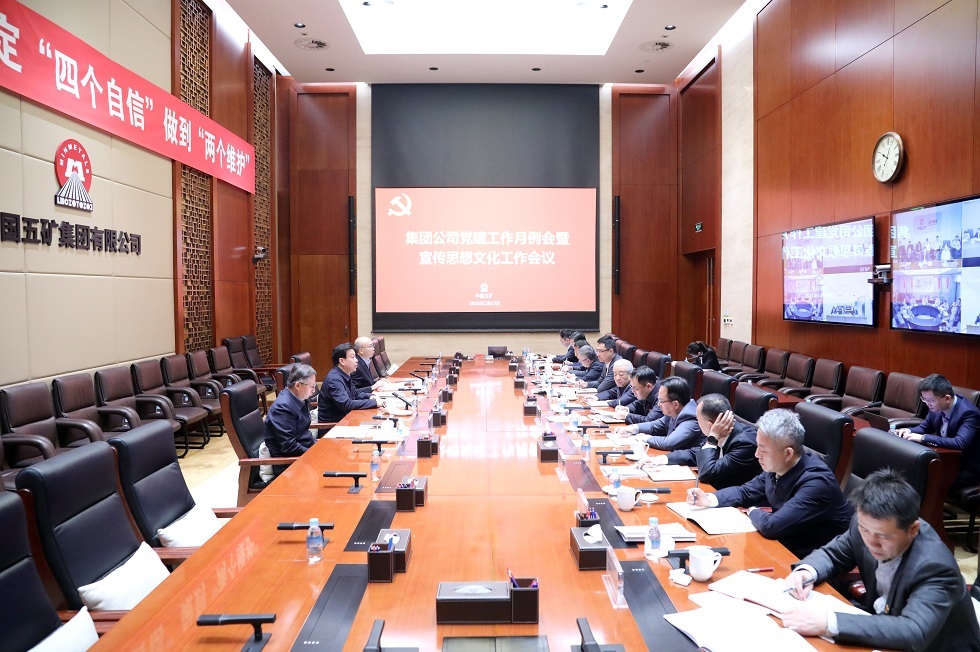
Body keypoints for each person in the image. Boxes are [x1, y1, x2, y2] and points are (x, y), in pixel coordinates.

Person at [782, 469, 980, 652]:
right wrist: (807, 571)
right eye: (864, 530)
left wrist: (829, 622)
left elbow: (914, 630)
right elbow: (833, 554)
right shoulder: (866, 524)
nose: (871, 542)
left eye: (883, 537)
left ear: (913, 529)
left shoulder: (935, 567)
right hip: (881, 625)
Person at [686, 409, 853, 558]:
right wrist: (709, 499)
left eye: (763, 449)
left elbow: (770, 526)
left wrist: (752, 511)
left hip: (812, 559)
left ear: (788, 453)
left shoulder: (817, 483)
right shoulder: (778, 466)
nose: (757, 454)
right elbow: (745, 492)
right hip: (785, 544)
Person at [894, 374, 980, 489]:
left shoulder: (969, 413)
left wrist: (923, 438)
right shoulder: (936, 406)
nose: (927, 404)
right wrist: (908, 431)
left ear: (947, 398)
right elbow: (924, 427)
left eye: (931, 400)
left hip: (965, 467)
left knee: (922, 478)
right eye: (924, 399)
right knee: (908, 469)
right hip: (944, 460)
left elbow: (960, 442)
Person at [659, 393, 761, 489]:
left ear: (710, 425)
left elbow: (707, 473)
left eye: (698, 419)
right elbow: (696, 453)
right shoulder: (724, 433)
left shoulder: (745, 444)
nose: (697, 423)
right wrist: (662, 459)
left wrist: (712, 438)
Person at [615, 377, 703, 451]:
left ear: (675, 404)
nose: (658, 404)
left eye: (661, 401)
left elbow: (668, 443)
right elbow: (654, 425)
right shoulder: (675, 411)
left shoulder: (690, 418)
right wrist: (633, 428)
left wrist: (645, 438)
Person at [264, 363, 318, 460]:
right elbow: (289, 447)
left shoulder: (299, 399)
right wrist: (315, 454)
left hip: (305, 451)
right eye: (312, 386)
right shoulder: (282, 409)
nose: (313, 390)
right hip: (291, 462)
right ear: (298, 385)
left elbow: (303, 434)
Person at [317, 343, 379, 423]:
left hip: (347, 419)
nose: (356, 360)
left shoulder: (344, 374)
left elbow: (355, 394)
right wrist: (374, 403)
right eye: (352, 357)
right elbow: (346, 404)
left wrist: (371, 397)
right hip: (335, 425)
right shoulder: (334, 380)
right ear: (342, 361)